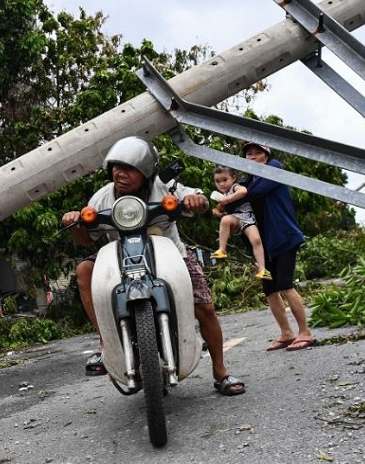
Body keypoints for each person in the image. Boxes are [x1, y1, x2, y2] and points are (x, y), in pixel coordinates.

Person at [61, 137, 246, 396]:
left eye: (128, 168)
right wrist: (77, 223)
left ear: (146, 172)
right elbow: (85, 239)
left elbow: (198, 200)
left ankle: (220, 370)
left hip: (171, 255)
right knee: (84, 271)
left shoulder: (165, 186)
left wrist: (197, 202)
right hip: (120, 258)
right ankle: (106, 342)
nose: (119, 173)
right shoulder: (103, 197)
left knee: (205, 307)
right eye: (116, 167)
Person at [240, 142, 316, 352]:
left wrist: (235, 194)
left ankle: (305, 332)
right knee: (270, 290)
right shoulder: (248, 181)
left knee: (285, 284)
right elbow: (238, 206)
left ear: (266, 155)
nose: (253, 157)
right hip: (264, 245)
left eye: (258, 153)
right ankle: (286, 333)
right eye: (249, 154)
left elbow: (251, 195)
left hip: (284, 237)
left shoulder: (275, 168)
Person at [209, 165, 272, 281]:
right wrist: (217, 211)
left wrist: (227, 200)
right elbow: (221, 211)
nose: (221, 184)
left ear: (233, 178)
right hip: (235, 219)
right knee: (225, 220)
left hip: (247, 218)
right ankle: (222, 249)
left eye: (224, 180)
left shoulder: (234, 187)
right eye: (218, 181)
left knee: (256, 240)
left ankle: (263, 269)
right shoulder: (223, 196)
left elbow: (243, 191)